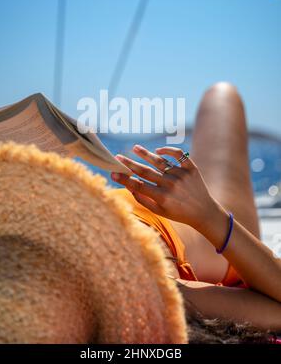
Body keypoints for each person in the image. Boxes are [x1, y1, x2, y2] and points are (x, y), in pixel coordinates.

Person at [110, 82, 281, 339]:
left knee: (221, 97)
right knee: (222, 96)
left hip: (168, 212)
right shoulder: (160, 294)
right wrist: (207, 214)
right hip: (208, 231)